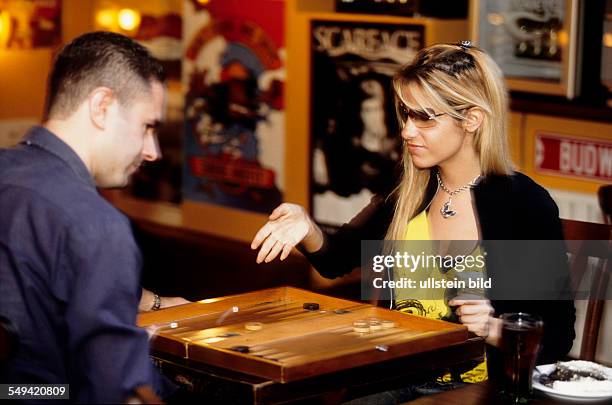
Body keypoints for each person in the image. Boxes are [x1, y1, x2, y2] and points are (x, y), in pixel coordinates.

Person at [251, 42, 575, 401]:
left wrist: (495, 328)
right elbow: (335, 260)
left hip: (479, 390)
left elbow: (558, 339)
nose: (406, 131)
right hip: (397, 378)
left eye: (424, 117)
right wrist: (306, 226)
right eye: (405, 114)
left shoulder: (523, 204)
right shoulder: (410, 190)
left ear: (472, 119)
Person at [0, 31, 184, 402]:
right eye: (148, 126)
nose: (153, 151)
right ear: (101, 106)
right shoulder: (96, 224)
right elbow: (117, 393)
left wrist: (152, 302)